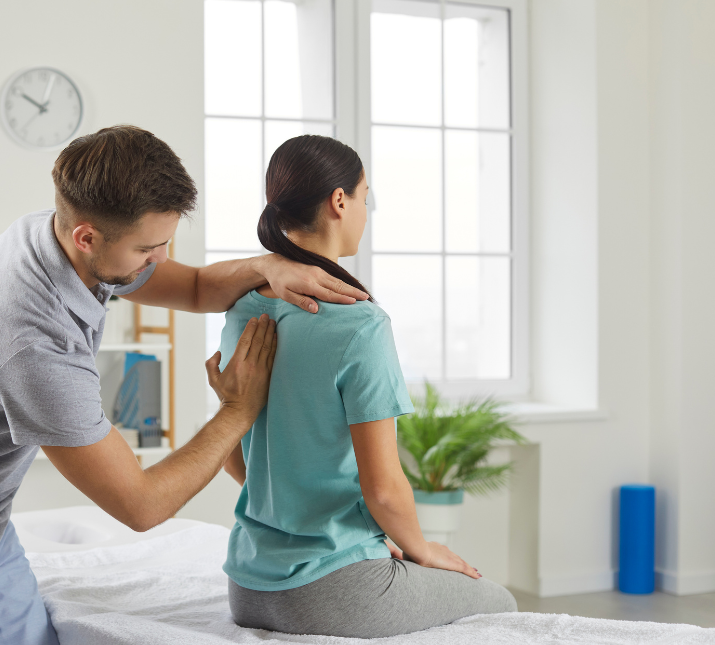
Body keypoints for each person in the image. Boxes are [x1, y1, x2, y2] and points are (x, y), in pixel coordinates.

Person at [0, 125, 371, 645]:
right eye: (146, 249)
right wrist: (236, 409)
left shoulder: (54, 233)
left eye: (164, 242)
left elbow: (198, 286)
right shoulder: (32, 346)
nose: (158, 260)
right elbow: (141, 507)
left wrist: (268, 266)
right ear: (88, 236)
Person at [217, 135, 517, 638]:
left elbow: (233, 455)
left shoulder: (242, 309)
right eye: (364, 197)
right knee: (500, 602)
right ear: (340, 201)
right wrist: (423, 549)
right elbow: (382, 486)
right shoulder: (359, 324)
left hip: (247, 588)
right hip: (333, 592)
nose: (364, 211)